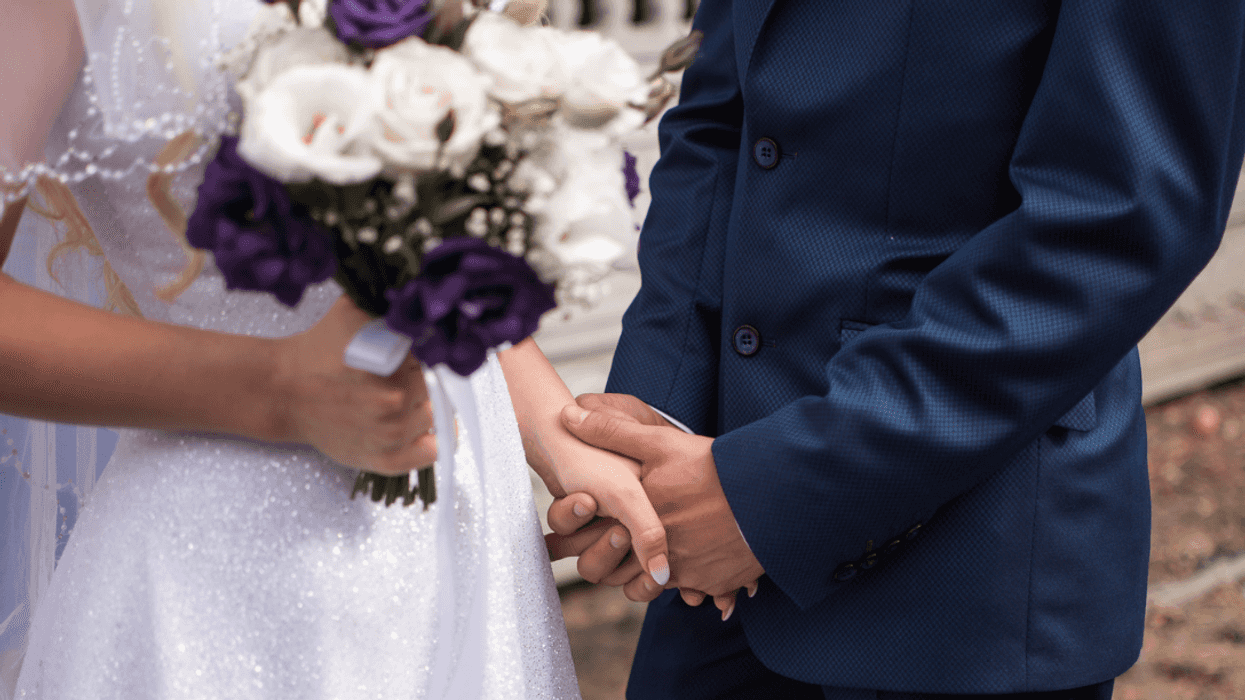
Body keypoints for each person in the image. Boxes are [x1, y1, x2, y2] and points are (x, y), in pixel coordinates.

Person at [547, 0, 1245, 698]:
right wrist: (647, 425)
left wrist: (772, 496)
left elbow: (1114, 224)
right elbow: (716, 121)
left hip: (964, 572)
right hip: (710, 542)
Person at [0, 0, 669, 697]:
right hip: (219, 570)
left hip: (463, 533)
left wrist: (558, 432)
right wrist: (278, 388)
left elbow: (427, 235)